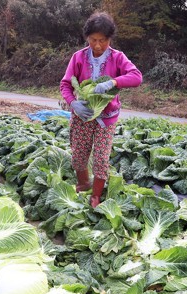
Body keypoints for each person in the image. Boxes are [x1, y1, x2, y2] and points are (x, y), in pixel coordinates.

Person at [60, 12, 142, 208]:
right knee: (79, 156)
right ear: (87, 38)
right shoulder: (78, 57)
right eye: (93, 40)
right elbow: (65, 84)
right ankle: (83, 183)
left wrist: (113, 82)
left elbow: (137, 77)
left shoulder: (118, 58)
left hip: (107, 118)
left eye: (102, 40)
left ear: (109, 39)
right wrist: (73, 103)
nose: (97, 45)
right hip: (83, 115)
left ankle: (96, 195)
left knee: (101, 158)